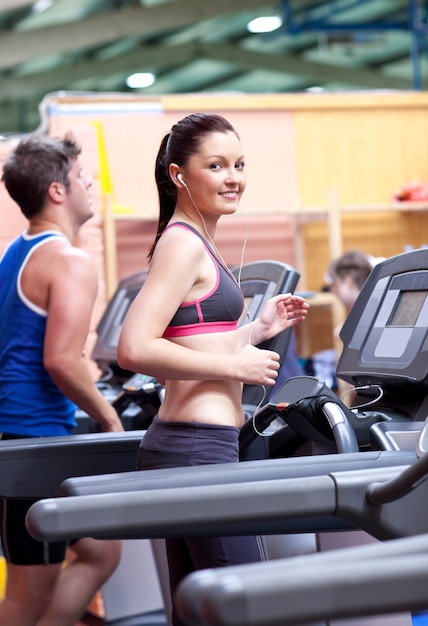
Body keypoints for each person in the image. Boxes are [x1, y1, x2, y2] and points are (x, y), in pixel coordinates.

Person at [117, 112, 309, 626]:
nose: (233, 177)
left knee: (197, 615)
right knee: (244, 610)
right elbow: (133, 348)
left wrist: (257, 331)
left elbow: (192, 342)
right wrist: (236, 364)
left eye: (240, 164)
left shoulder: (193, 240)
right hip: (198, 450)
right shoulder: (182, 243)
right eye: (217, 165)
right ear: (180, 175)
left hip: (185, 445)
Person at [0, 134, 123, 626]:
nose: (87, 183)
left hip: (24, 436)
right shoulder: (69, 260)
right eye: (79, 176)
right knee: (28, 592)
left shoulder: (16, 253)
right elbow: (62, 360)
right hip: (32, 444)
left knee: (101, 552)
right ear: (57, 190)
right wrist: (108, 416)